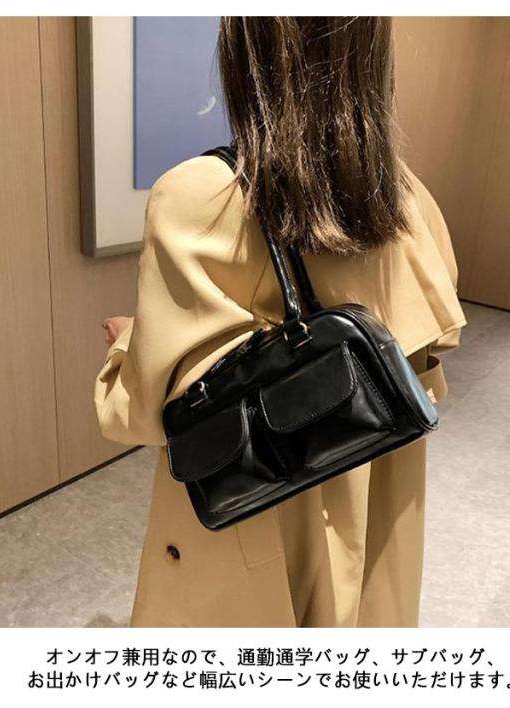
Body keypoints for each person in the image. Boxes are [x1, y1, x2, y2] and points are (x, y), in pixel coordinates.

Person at [94, 16, 466, 628]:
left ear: (245, 49)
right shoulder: (406, 197)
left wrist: (130, 342)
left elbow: (146, 415)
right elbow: (427, 361)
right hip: (380, 499)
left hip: (259, 511)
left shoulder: (201, 196)